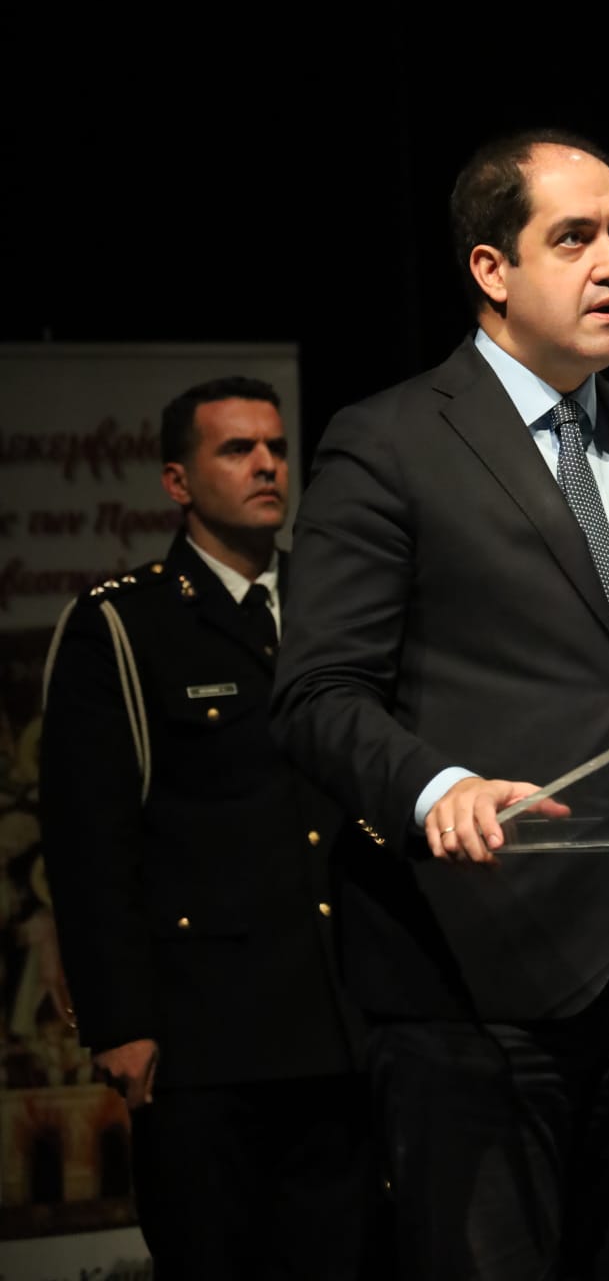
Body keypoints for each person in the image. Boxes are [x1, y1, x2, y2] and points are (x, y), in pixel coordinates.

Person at [269, 130, 609, 1281]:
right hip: (470, 974)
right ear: (490, 269)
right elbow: (316, 691)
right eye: (572, 239)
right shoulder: (390, 441)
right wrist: (435, 787)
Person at [39, 375, 379, 1281]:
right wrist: (118, 1021)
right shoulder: (124, 623)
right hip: (206, 1036)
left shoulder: (331, 606)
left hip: (342, 1020)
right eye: (237, 449)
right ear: (177, 481)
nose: (267, 466)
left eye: (276, 448)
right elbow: (88, 841)